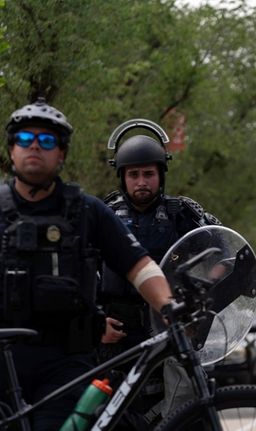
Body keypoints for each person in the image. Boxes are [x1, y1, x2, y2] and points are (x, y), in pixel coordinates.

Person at [0, 98, 173, 429]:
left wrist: (168, 306)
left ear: (61, 153)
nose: (34, 146)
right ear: (12, 150)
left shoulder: (88, 211)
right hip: (4, 355)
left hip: (67, 361)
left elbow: (139, 265)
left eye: (47, 140)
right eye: (25, 139)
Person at [97, 119, 220, 426]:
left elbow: (224, 251)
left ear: (160, 175)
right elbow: (79, 270)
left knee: (185, 414)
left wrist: (196, 307)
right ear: (122, 177)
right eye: (134, 174)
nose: (142, 181)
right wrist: (95, 320)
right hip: (117, 339)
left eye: (148, 174)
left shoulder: (184, 213)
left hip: (171, 333)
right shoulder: (101, 216)